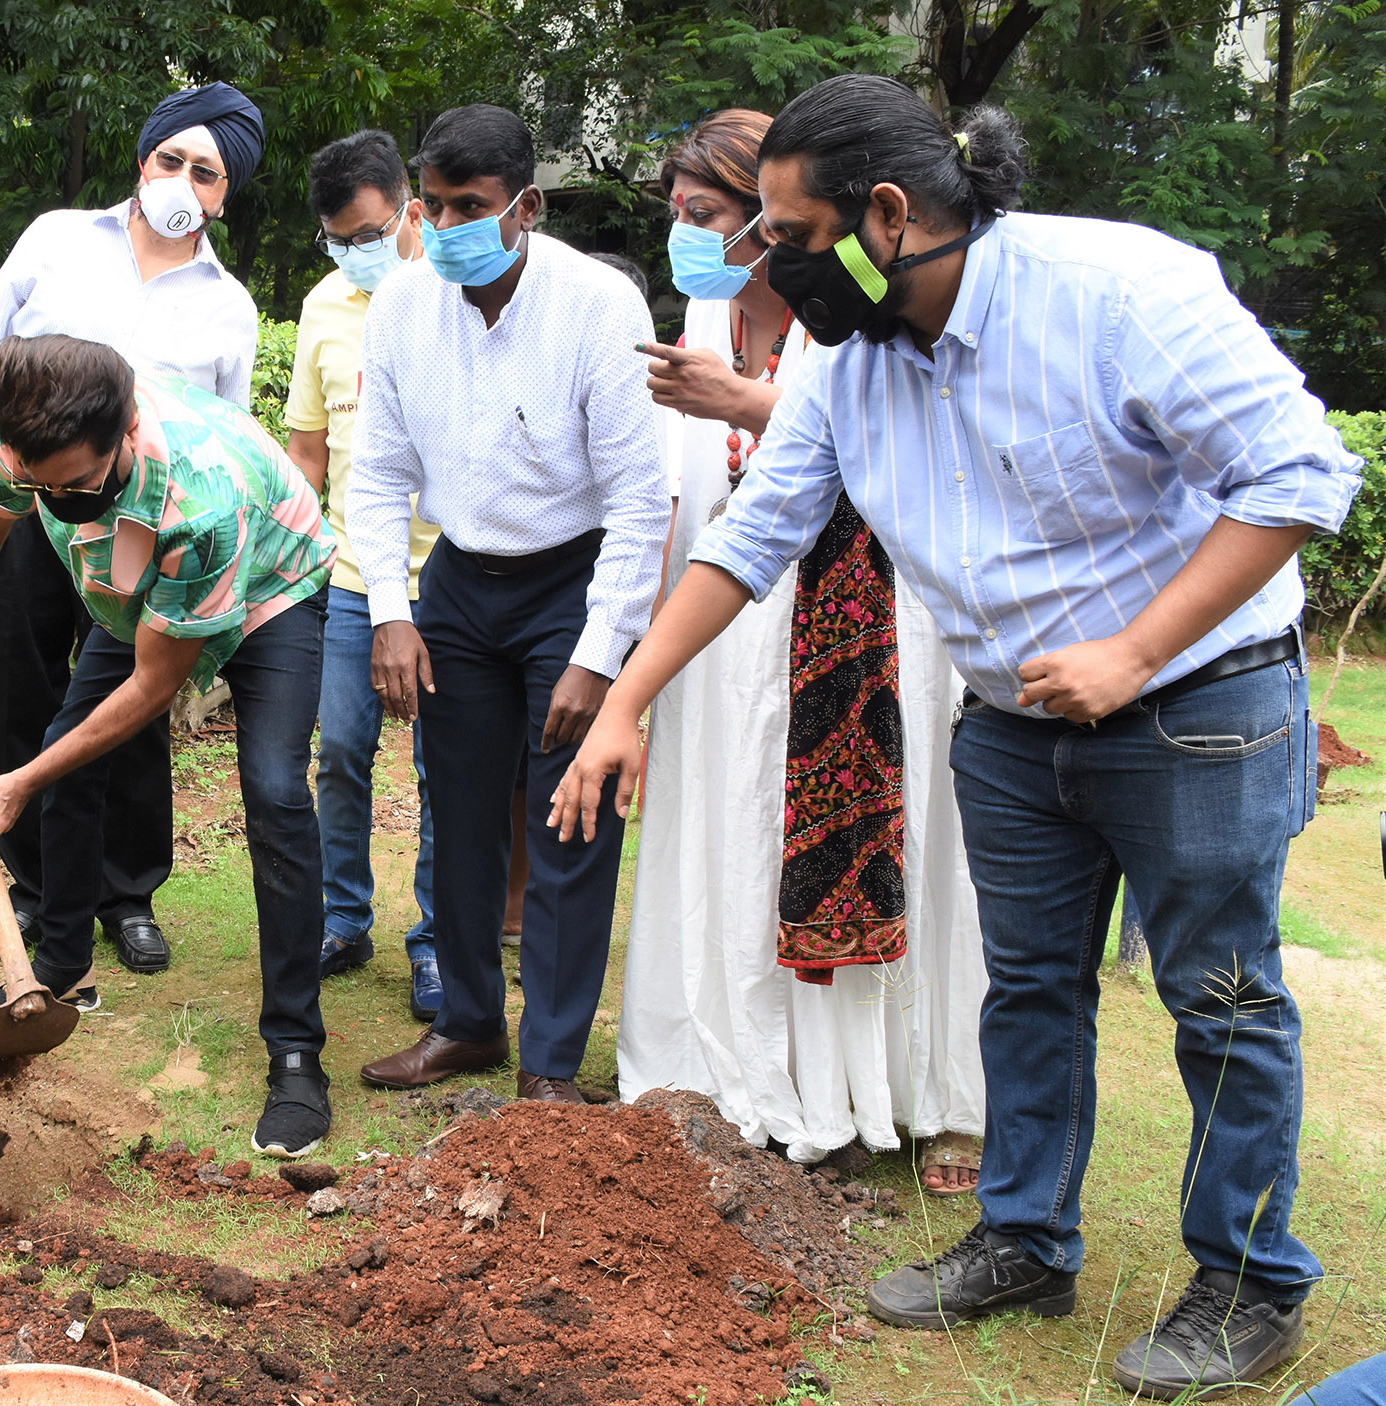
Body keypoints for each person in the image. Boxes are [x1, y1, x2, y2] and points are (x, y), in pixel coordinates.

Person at [552, 74, 1361, 1398]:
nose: (770, 267)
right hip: (1010, 726)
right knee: (1028, 988)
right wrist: (628, 696)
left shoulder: (1116, 292)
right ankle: (1027, 1234)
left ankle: (1249, 1283)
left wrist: (1136, 649)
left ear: (888, 213)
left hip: (1199, 707)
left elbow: (1304, 473)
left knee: (1222, 999)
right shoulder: (849, 358)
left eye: (792, 239)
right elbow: (756, 537)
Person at [617, 108, 987, 1193]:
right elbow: (672, 488)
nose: (691, 235)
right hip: (724, 619)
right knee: (729, 825)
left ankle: (920, 1090)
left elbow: (909, 435)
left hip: (872, 615)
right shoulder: (695, 311)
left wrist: (750, 402)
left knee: (901, 828)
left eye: (710, 216)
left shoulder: (864, 306)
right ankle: (737, 1067)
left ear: (774, 221)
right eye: (679, 215)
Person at [0, 334, 338, 1158]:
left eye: (73, 485)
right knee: (70, 756)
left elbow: (156, 685)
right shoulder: (28, 435)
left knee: (277, 795)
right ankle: (59, 975)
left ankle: (295, 1053)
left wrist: (24, 777)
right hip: (144, 589)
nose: (55, 500)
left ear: (128, 427)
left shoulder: (196, 498)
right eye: (41, 484)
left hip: (270, 586)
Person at [0, 82, 267, 986]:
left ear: (225, 195)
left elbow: (223, 434)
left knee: (131, 697)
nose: (181, 178)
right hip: (33, 507)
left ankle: (127, 892)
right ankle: (28, 886)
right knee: (24, 680)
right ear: (144, 163)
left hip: (140, 520)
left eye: (205, 171)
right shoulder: (58, 238)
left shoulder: (230, 306)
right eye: (170, 159)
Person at [348, 103, 670, 1104]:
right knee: (459, 808)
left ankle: (550, 1067)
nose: (446, 227)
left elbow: (636, 500)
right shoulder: (402, 304)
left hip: (568, 587)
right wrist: (389, 611)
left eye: (471, 207)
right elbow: (374, 477)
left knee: (570, 821)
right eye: (433, 206)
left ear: (523, 205)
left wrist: (599, 650)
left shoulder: (598, 306)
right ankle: (469, 1023)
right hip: (453, 584)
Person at [285, 130, 445, 1022]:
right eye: (339, 239)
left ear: (409, 211)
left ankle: (434, 944)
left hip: (447, 581)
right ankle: (343, 918)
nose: (356, 252)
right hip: (350, 578)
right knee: (341, 753)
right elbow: (308, 453)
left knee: (439, 769)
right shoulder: (324, 307)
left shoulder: (462, 296)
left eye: (369, 232)